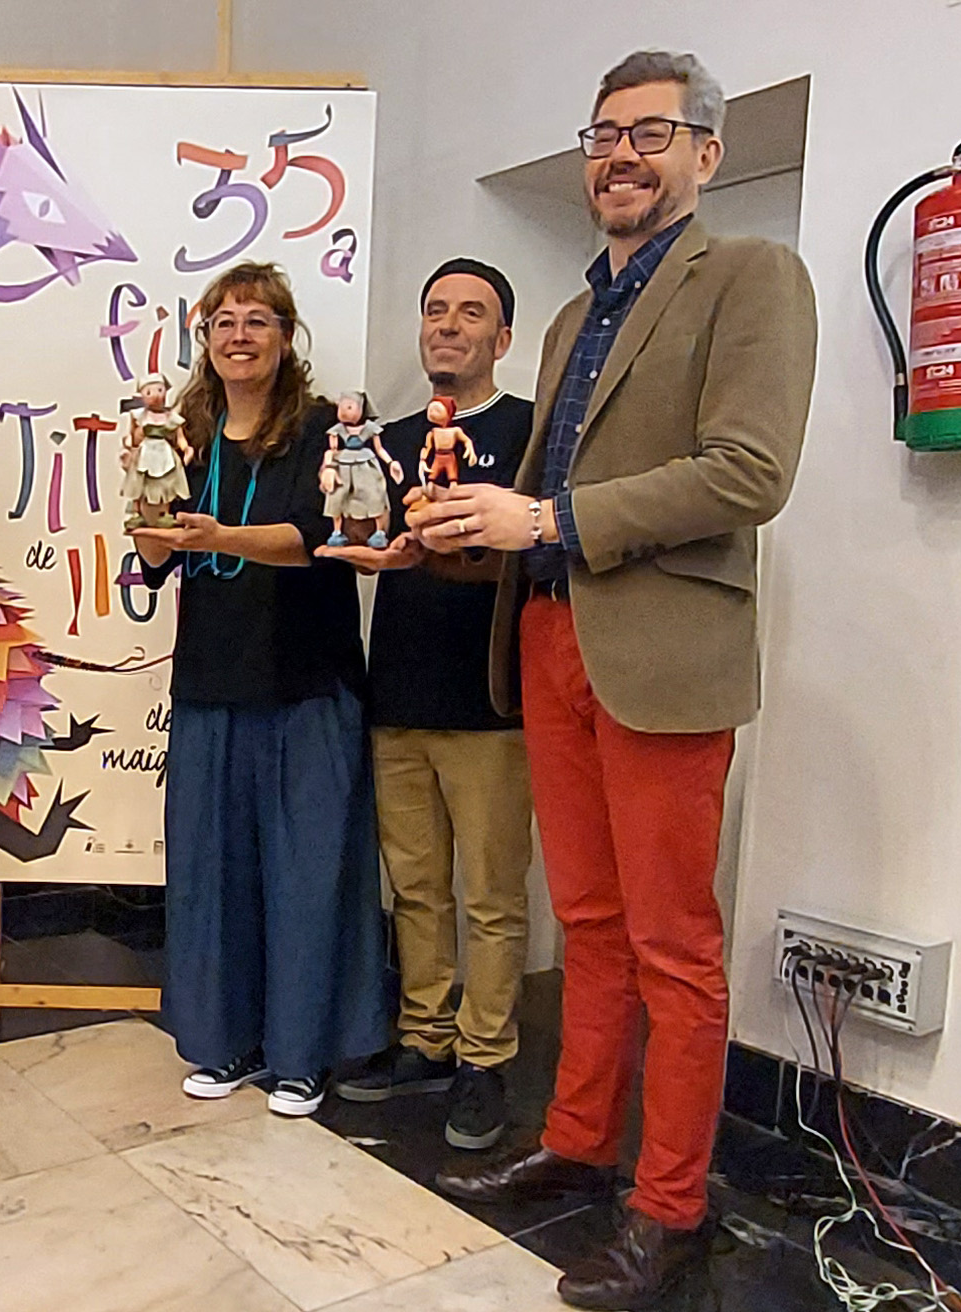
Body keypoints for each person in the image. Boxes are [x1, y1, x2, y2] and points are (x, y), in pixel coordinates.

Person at [414, 52, 817, 1309]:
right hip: (547, 636)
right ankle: (580, 1142)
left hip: (660, 655)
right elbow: (542, 499)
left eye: (650, 132)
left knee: (671, 944)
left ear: (707, 152)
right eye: (602, 135)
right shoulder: (569, 317)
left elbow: (750, 471)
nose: (621, 155)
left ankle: (669, 1207)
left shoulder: (750, 274)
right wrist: (458, 529)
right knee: (585, 924)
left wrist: (544, 520)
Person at [131, 261, 387, 1118]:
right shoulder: (184, 432)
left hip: (307, 684)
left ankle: (302, 1057)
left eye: (257, 320)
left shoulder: (319, 430)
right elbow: (155, 555)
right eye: (224, 322)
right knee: (216, 877)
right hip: (212, 683)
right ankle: (226, 1042)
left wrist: (218, 536)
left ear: (286, 337)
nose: (239, 335)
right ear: (204, 339)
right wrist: (153, 524)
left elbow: (317, 537)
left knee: (307, 876)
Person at [320, 260, 536, 1154]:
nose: (448, 325)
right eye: (436, 310)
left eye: (471, 313)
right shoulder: (388, 440)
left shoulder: (530, 432)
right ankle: (425, 1037)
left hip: (493, 700)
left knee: (490, 893)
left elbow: (541, 549)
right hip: (398, 693)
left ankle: (486, 1056)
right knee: (413, 888)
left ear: (502, 338)